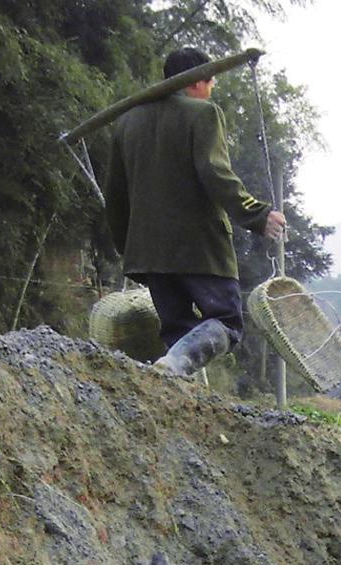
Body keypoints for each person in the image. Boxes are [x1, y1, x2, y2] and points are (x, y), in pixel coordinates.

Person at [104, 47, 287, 378]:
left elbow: (115, 196)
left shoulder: (127, 122)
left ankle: (173, 380)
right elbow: (215, 174)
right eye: (211, 81)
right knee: (227, 323)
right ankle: (174, 367)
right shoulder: (202, 114)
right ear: (195, 83)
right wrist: (258, 215)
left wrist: (127, 248)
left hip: (148, 253)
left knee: (177, 332)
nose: (212, 88)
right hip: (199, 249)